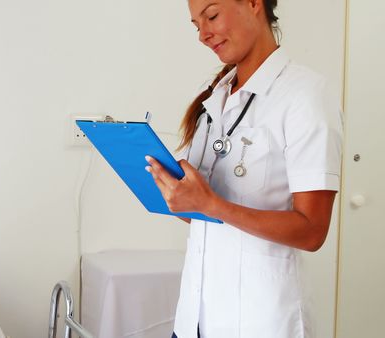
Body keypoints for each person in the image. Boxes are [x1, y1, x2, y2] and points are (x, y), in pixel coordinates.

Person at [144, 0, 343, 337]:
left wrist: (210, 204)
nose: (203, 35)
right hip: (195, 317)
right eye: (196, 25)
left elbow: (312, 231)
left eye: (212, 16)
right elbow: (199, 212)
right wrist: (173, 193)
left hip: (258, 320)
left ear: (253, 4)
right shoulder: (213, 97)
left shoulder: (305, 95)